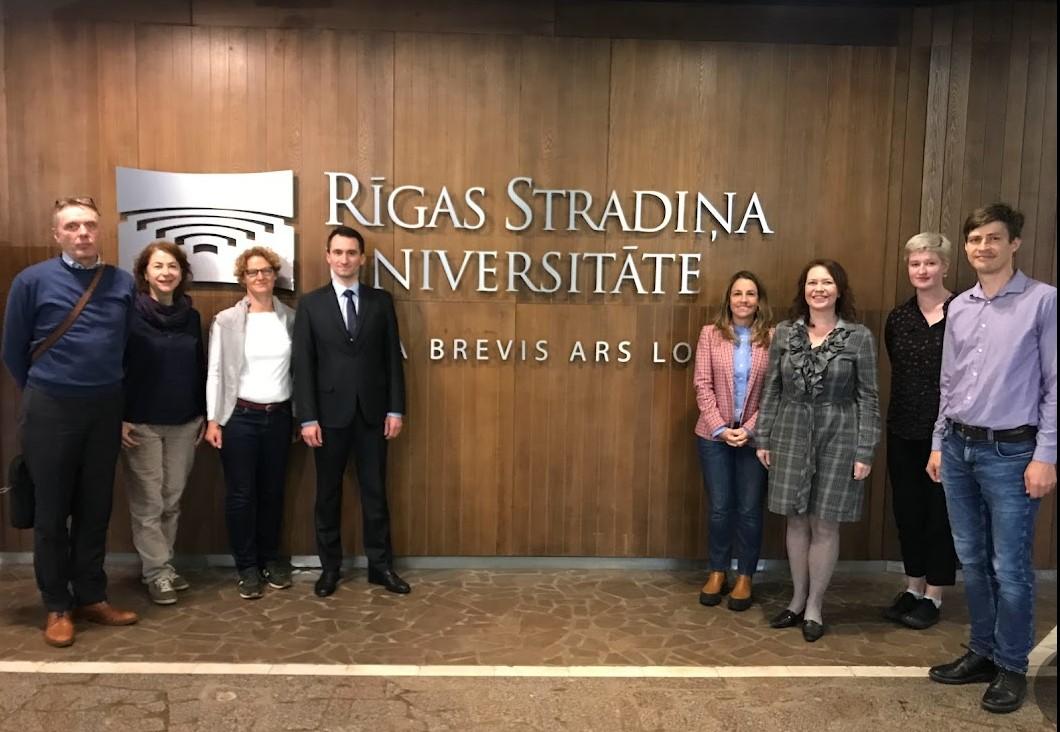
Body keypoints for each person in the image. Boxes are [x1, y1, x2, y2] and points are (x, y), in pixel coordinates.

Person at [926, 203, 1056, 714]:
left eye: (993, 238)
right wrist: (939, 442)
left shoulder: (1043, 301)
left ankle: (1011, 666)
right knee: (973, 561)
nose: (983, 247)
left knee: (1011, 567)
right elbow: (949, 381)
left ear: (1014, 243)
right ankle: (981, 652)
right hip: (958, 447)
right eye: (976, 239)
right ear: (966, 247)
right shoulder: (960, 306)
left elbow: (1055, 385)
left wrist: (1046, 455)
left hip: (1012, 452)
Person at [2, 197, 139, 647]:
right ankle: (58, 605)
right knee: (51, 511)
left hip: (105, 407)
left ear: (100, 231)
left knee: (96, 508)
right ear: (56, 234)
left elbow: (124, 345)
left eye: (90, 225)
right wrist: (48, 388)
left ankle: (92, 597)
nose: (83, 233)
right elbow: (13, 350)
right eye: (73, 226)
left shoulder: (121, 282)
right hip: (51, 408)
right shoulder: (31, 281)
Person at [755, 259, 880, 643]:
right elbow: (771, 389)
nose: (819, 289)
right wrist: (763, 437)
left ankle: (815, 606)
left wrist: (865, 449)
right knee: (795, 520)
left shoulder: (858, 337)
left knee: (825, 522)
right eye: (812, 282)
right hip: (790, 430)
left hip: (839, 433)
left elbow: (869, 397)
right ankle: (796, 600)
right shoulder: (784, 333)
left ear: (839, 289)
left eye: (827, 283)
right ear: (803, 289)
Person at [293, 225, 408, 597]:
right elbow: (303, 365)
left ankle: (380, 567)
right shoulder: (310, 304)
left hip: (374, 415)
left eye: (351, 253)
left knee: (375, 493)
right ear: (328, 256)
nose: (344, 259)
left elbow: (393, 360)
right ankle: (330, 569)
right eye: (338, 252)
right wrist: (307, 417)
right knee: (327, 495)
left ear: (362, 258)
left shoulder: (381, 302)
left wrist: (396, 410)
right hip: (327, 418)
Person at [204, 246, 296, 600]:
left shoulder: (290, 318)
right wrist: (214, 419)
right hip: (239, 418)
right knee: (241, 495)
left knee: (273, 493)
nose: (260, 277)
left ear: (275, 276)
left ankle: (270, 559)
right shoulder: (226, 320)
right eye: (252, 272)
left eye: (266, 271)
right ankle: (247, 567)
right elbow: (215, 371)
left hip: (279, 417)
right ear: (242, 278)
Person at [120, 241, 206, 606]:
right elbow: (116, 366)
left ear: (182, 273)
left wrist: (203, 413)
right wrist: (119, 416)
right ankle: (156, 572)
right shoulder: (129, 315)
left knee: (171, 499)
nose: (166, 272)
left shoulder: (191, 317)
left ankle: (163, 566)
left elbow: (200, 367)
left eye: (172, 266)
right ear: (145, 273)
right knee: (149, 502)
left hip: (184, 421)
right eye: (158, 266)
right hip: (141, 423)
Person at [881, 233, 957, 630]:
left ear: (945, 266)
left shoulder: (964, 311)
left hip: (947, 435)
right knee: (908, 512)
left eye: (930, 262)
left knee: (939, 516)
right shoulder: (899, 318)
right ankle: (913, 587)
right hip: (903, 430)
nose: (922, 270)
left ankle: (934, 594)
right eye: (915, 263)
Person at [693, 271, 772, 611]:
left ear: (759, 300)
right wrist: (720, 428)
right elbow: (702, 384)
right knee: (720, 508)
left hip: (754, 438)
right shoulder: (710, 334)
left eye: (750, 293)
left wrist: (749, 429)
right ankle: (717, 571)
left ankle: (745, 576)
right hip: (714, 437)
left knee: (750, 510)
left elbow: (774, 391)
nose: (743, 300)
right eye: (737, 293)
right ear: (728, 299)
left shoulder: (773, 338)